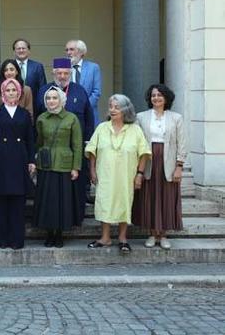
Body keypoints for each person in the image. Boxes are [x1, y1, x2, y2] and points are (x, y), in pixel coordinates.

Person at [85, 94, 151, 254]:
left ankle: (122, 238)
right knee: (105, 202)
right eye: (111, 106)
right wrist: (92, 170)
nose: (113, 110)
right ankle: (105, 238)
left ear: (125, 110)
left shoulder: (135, 130)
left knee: (124, 202)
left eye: (117, 107)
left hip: (126, 175)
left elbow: (143, 153)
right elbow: (92, 150)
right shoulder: (101, 127)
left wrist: (139, 174)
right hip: (105, 174)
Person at [0, 78, 35, 250]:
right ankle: (1, 239)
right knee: (0, 201)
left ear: (19, 93)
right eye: (8, 90)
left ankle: (16, 240)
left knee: (17, 201)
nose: (11, 93)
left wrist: (31, 161)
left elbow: (30, 139)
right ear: (3, 93)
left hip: (19, 159)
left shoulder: (24, 114)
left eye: (14, 90)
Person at [36, 58, 95, 210]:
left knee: (76, 184)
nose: (62, 76)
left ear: (70, 73)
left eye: (65, 73)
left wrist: (88, 140)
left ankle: (75, 215)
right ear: (53, 73)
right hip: (52, 149)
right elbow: (38, 118)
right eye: (59, 73)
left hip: (76, 146)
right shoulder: (44, 91)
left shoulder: (79, 90)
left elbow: (89, 117)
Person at [134, 84, 187, 250]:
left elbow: (182, 143)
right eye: (153, 95)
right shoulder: (141, 117)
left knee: (167, 197)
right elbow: (136, 141)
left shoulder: (176, 118)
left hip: (169, 162)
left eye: (159, 95)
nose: (156, 98)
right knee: (149, 196)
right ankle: (151, 233)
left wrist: (179, 166)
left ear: (166, 98)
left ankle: (163, 234)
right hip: (148, 161)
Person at [32, 86, 83, 248]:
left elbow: (77, 144)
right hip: (45, 164)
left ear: (61, 100)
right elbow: (38, 142)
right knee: (47, 200)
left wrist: (76, 167)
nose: (51, 101)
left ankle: (59, 234)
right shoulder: (41, 118)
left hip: (64, 164)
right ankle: (49, 233)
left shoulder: (71, 118)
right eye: (48, 98)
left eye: (54, 98)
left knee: (62, 202)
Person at [65, 39, 102, 124]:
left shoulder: (93, 68)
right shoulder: (64, 68)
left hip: (89, 114)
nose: (68, 53)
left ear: (81, 52)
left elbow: (96, 92)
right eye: (67, 50)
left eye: (71, 49)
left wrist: (84, 107)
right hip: (68, 115)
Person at [12, 38, 47, 109]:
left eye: (23, 48)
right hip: (12, 104)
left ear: (28, 51)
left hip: (33, 106)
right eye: (18, 48)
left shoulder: (37, 66)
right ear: (14, 51)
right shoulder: (9, 66)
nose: (21, 50)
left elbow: (42, 87)